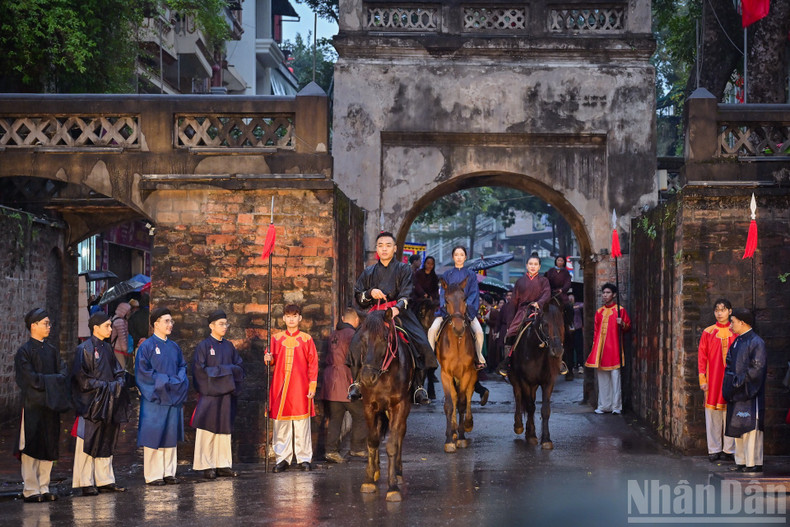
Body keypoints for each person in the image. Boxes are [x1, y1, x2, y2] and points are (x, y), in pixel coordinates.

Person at [348, 232, 437, 405]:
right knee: (356, 342)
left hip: (399, 313)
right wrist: (369, 293)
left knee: (421, 342)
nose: (384, 249)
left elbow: (408, 293)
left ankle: (418, 386)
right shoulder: (368, 272)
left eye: (388, 245)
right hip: (374, 314)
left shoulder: (404, 270)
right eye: (380, 245)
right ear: (376, 249)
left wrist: (396, 308)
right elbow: (358, 295)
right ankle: (356, 383)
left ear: (395, 248)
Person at [14, 308, 71, 503]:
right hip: (33, 405)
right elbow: (29, 379)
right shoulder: (24, 352)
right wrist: (52, 381)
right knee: (31, 445)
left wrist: (49, 381)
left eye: (49, 323)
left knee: (49, 445)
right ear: (34, 325)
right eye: (45, 323)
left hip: (51, 405)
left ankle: (44, 486)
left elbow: (64, 373)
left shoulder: (52, 351)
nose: (49, 327)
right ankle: (30, 489)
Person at [71, 312, 130, 496]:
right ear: (95, 327)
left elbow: (118, 370)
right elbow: (81, 379)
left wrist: (118, 383)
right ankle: (85, 481)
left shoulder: (107, 348)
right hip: (92, 404)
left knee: (106, 439)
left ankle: (105, 479)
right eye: (107, 326)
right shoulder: (84, 349)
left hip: (109, 400)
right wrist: (107, 386)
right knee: (88, 440)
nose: (111, 329)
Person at [135, 307, 188, 485]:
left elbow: (182, 367)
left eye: (171, 321)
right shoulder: (147, 347)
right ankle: (153, 475)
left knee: (170, 435)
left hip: (172, 397)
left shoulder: (174, 347)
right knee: (154, 435)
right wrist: (165, 382)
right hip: (155, 399)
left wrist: (177, 382)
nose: (170, 324)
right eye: (166, 321)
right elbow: (143, 373)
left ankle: (168, 472)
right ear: (155, 324)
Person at [265, 304, 319, 472]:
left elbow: (313, 364)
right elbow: (271, 360)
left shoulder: (307, 339)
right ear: (283, 319)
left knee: (302, 423)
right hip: (280, 386)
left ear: (300, 318)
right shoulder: (275, 338)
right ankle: (282, 458)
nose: (291, 319)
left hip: (300, 386)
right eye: (288, 316)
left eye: (294, 316)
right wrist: (267, 357)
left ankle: (304, 458)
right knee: (281, 423)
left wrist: (312, 385)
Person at [191, 309, 244, 479]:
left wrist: (220, 373)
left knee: (224, 429)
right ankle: (206, 464)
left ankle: (223, 464)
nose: (225, 327)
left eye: (226, 324)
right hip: (210, 394)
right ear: (211, 326)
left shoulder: (229, 346)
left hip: (226, 394)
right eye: (221, 324)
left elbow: (239, 368)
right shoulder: (204, 346)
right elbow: (200, 371)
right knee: (208, 429)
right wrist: (224, 374)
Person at [427, 246, 487, 370]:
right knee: (432, 330)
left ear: (465, 257)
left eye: (461, 255)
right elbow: (443, 293)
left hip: (466, 311)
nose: (459, 257)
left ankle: (479, 357)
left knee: (479, 332)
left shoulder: (471, 275)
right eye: (456, 255)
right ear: (453, 257)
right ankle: (430, 358)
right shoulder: (446, 274)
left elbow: (473, 293)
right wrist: (445, 305)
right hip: (448, 310)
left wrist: (465, 307)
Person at [723, 308, 767, 474]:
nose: (731, 325)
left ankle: (753, 462)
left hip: (750, 392)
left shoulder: (757, 342)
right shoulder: (737, 341)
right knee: (738, 428)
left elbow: (757, 368)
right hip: (737, 391)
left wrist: (738, 382)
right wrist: (732, 382)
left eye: (732, 321)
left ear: (742, 322)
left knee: (751, 429)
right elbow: (728, 364)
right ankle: (741, 461)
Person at [320, 307, 367, 463]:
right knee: (360, 414)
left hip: (330, 381)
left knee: (335, 418)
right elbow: (357, 360)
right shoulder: (353, 335)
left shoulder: (333, 335)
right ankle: (357, 448)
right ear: (355, 321)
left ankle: (331, 451)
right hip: (346, 380)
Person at [497, 255, 551, 376]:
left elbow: (547, 294)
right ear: (526, 265)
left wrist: (539, 303)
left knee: (552, 331)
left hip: (538, 311)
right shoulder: (520, 282)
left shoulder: (544, 281)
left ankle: (557, 360)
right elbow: (513, 303)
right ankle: (508, 361)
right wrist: (510, 321)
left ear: (539, 267)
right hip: (522, 311)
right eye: (530, 264)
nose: (533, 266)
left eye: (535, 264)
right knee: (510, 333)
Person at [697, 299, 736, 463]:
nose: (720, 313)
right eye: (717, 310)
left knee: (730, 414)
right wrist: (702, 379)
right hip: (712, 381)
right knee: (712, 415)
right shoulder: (708, 332)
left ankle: (729, 449)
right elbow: (701, 357)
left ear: (730, 311)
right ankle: (713, 449)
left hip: (731, 380)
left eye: (723, 309)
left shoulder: (737, 331)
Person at [584, 283, 631, 414]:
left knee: (615, 379)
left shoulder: (620, 310)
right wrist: (594, 350)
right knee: (603, 379)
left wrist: (622, 323)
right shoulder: (599, 312)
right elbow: (595, 332)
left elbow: (628, 327)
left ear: (614, 294)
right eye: (603, 293)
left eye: (608, 293)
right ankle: (604, 405)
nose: (605, 295)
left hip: (614, 349)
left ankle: (616, 406)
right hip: (601, 350)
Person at [111, 302, 132, 371]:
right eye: (128, 311)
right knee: (121, 369)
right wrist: (126, 349)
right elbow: (122, 337)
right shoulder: (120, 321)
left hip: (116, 348)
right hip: (118, 349)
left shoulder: (117, 319)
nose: (129, 312)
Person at [571, 294, 585, 374]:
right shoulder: (565, 306)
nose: (570, 298)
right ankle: (572, 365)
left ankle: (580, 365)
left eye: (572, 297)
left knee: (579, 348)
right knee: (570, 348)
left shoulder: (577, 304)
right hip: (569, 330)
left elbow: (583, 305)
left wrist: (574, 307)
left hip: (577, 329)